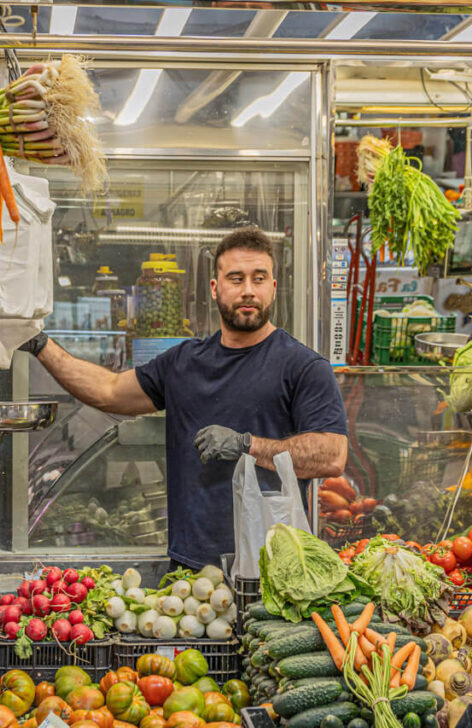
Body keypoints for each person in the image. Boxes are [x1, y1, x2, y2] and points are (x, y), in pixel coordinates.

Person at [23, 226, 348, 569]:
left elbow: (331, 455)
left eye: (259, 278)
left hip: (275, 567)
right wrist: (41, 345)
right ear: (215, 288)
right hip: (191, 568)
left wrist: (247, 444)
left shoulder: (303, 367)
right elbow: (109, 391)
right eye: (236, 279)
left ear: (273, 287)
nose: (248, 290)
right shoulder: (184, 362)